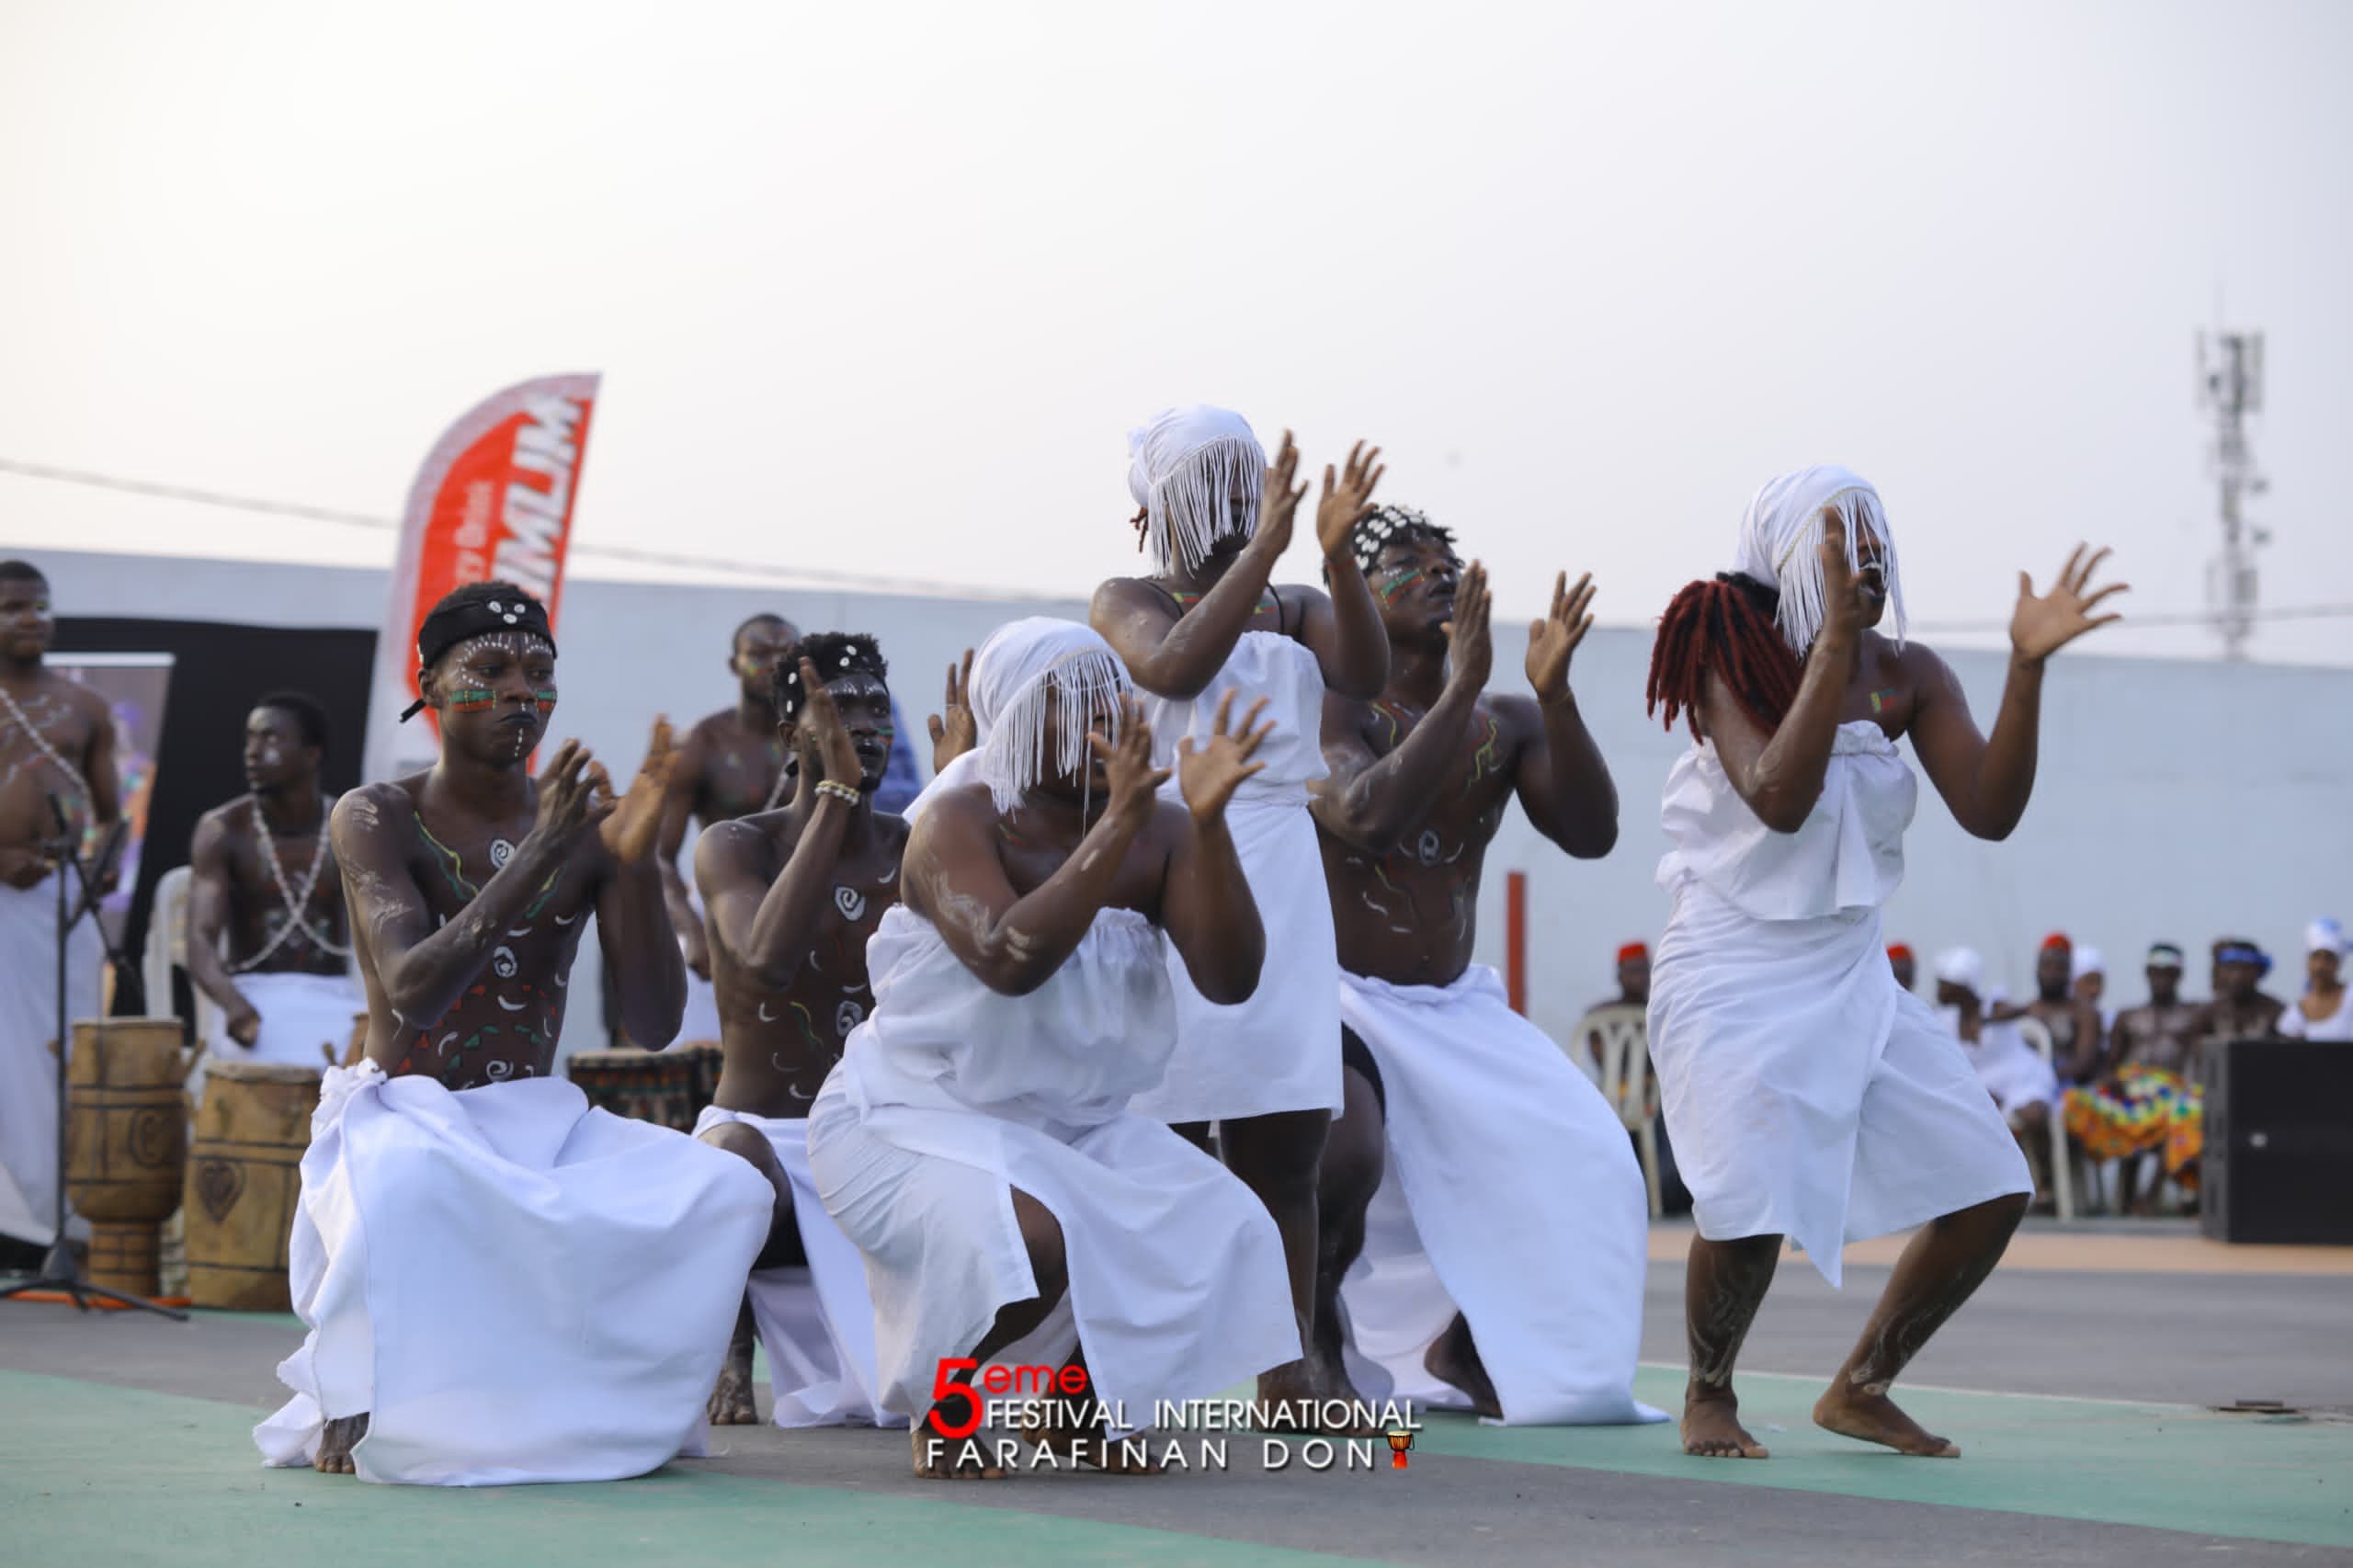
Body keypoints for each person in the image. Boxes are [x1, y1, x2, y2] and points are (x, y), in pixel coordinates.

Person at [1643, 465, 2123, 1460]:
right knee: (1741, 1203)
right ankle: (1709, 1391)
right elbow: (1776, 795)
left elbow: (1989, 811)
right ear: (1778, 551)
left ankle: (1860, 1385)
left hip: (1852, 968)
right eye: (1833, 534)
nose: (1860, 550)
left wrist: (2025, 667)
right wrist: (1825, 650)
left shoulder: (1909, 671)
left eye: (1871, 530)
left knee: (1992, 1183)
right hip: (1731, 964)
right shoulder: (1725, 649)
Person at [255, 583, 773, 1485]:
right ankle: (358, 1387)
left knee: (725, 1187)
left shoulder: (587, 829)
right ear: (431, 686)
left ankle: (617, 1404)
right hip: (403, 1111)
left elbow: (652, 1025)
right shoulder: (376, 813)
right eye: (486, 671)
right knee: (411, 1186)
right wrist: (542, 850)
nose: (516, 694)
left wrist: (636, 861)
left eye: (537, 673)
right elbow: (414, 987)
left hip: (536, 1116)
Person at [808, 619, 1298, 1478]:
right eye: (1066, 704)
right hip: (911, 1118)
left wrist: (1210, 828)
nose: (1098, 719)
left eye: (1110, 697)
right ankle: (947, 1410)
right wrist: (1119, 826)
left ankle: (1071, 1411)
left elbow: (1232, 979)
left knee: (1227, 1231)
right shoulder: (956, 822)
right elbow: (1007, 959)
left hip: (1073, 1127)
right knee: (1031, 1239)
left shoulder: (1166, 831)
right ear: (1011, 719)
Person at [1307, 508, 1656, 1426]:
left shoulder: (1509, 721)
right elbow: (1363, 815)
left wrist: (1558, 695)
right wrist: (1459, 691)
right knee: (1345, 1153)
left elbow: (1591, 834)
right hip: (1339, 995)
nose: (1435, 574)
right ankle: (1315, 1351)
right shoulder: (1329, 706)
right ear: (1358, 595)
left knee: (1596, 1154)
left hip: (1457, 1006)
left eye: (1446, 562)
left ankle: (1461, 1339)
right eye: (1404, 563)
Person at [1088, 407, 1386, 1415]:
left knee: (1286, 1134)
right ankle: (1144, 1358)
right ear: (1158, 502)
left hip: (1281, 864)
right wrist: (1261, 547)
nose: (1233, 497)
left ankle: (1284, 1362)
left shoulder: (1292, 605)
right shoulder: (1125, 597)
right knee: (1156, 1126)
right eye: (1211, 481)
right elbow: (1170, 667)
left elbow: (1367, 675)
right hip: (1172, 854)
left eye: (1245, 476)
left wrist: (1336, 559)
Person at [691, 635, 917, 1429]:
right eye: (837, 711)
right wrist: (837, 801)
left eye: (876, 711)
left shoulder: (916, 846)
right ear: (792, 735)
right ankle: (730, 1343)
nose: (862, 728)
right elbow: (765, 964)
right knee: (727, 1170)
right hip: (769, 1137)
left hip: (883, 1136)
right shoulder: (736, 845)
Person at [0, 560, 119, 1254]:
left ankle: (57, 1224)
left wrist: (96, 875)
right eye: (13, 607)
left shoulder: (85, 708)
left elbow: (114, 819)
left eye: (39, 606)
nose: (31, 619)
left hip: (59, 905)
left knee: (64, 1055)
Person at [184, 693, 361, 1075]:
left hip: (334, 1000)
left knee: (363, 1067)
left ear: (313, 753)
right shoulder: (223, 829)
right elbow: (199, 940)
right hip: (253, 999)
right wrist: (233, 1006)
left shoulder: (351, 827)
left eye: (271, 739)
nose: (253, 751)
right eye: (250, 739)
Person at [655, 613, 799, 1046]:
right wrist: (689, 931)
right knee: (715, 1062)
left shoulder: (819, 739)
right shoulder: (705, 742)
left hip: (804, 910)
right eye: (759, 654)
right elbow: (658, 855)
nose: (774, 664)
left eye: (785, 654)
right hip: (719, 919)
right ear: (734, 665)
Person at [2063, 941, 2207, 1215]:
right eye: (2155, 972)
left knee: (2187, 1111)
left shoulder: (2193, 1015)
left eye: (2168, 973)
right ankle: (2121, 1195)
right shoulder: (2128, 1016)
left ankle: (2150, 1195)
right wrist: (2112, 1080)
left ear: (2178, 976)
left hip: (2171, 1096)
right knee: (2073, 1101)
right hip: (2132, 1095)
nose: (2161, 979)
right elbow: (2110, 1064)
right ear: (2147, 974)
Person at [1930, 948, 2058, 1207]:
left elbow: (2018, 1010)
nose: (1939, 991)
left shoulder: (1994, 1003)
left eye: (1944, 985)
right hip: (1980, 1083)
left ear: (1962, 986)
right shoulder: (1944, 1018)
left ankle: (2048, 1184)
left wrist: (1988, 1019)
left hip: (2020, 1076)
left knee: (2034, 1116)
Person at [1995, 934, 2105, 1085]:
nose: (2051, 974)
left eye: (2059, 968)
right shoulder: (2026, 1010)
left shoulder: (2085, 1013)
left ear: (2069, 973)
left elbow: (2084, 1063)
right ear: (2037, 969)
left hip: (2068, 1090)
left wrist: (2042, 1077)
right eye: (2046, 966)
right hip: (2023, 1086)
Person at [2278, 919, 2350, 1041]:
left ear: (2338, 963)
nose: (2320, 966)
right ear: (2307, 961)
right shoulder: (2294, 1015)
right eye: (2315, 957)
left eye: (2328, 958)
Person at [2072, 945, 2113, 1031]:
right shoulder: (2061, 1022)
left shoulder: (2110, 1023)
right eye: (2089, 981)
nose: (2095, 989)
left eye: (2099, 982)